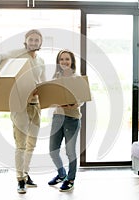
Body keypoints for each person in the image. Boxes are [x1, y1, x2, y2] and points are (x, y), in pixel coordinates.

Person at [0, 29, 46, 194]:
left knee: (31, 144)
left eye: (36, 40)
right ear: (26, 41)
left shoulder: (41, 61)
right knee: (20, 145)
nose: (33, 43)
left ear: (41, 43)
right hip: (19, 105)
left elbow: (43, 83)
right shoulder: (18, 53)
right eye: (31, 40)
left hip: (36, 105)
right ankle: (20, 179)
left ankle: (26, 175)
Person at [48, 50, 83, 192]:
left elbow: (84, 97)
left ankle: (70, 178)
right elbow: (50, 96)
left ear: (72, 61)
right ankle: (61, 173)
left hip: (72, 119)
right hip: (58, 117)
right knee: (53, 150)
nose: (64, 62)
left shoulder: (77, 78)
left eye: (67, 59)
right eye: (61, 59)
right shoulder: (55, 77)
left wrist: (76, 104)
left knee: (70, 151)